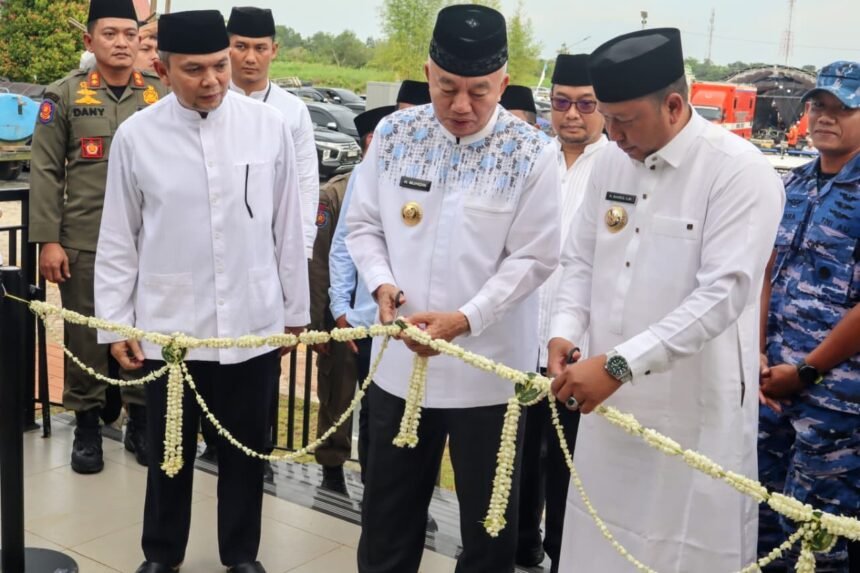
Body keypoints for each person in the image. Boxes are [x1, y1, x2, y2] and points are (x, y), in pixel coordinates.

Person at [548, 28, 784, 571]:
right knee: (600, 544)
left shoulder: (739, 172)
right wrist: (564, 330)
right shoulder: (610, 162)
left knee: (684, 551)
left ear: (675, 104)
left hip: (694, 415)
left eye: (625, 120)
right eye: (607, 118)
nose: (613, 133)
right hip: (610, 404)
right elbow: (579, 260)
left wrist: (620, 363)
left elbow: (723, 295)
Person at [93, 11, 309, 573]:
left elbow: (288, 228)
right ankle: (161, 555)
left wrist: (294, 313)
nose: (213, 80)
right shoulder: (136, 137)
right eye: (195, 70)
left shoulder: (269, 130)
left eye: (220, 65)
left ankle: (241, 556)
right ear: (163, 69)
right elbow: (120, 237)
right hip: (173, 329)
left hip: (253, 320)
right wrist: (115, 324)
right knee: (170, 453)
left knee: (245, 453)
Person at [346, 5, 560, 572]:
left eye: (479, 92)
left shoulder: (532, 152)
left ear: (504, 83)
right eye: (447, 89)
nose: (461, 106)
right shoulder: (394, 134)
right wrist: (382, 282)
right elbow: (363, 225)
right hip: (400, 368)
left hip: (486, 376)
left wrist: (465, 318)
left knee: (489, 533)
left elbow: (536, 256)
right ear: (428, 73)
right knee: (388, 519)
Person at [29, 0, 166, 474]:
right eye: (110, 34)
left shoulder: (159, 95)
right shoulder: (64, 95)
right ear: (90, 41)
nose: (123, 43)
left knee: (144, 331)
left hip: (148, 242)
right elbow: (45, 171)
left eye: (131, 34)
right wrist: (48, 240)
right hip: (83, 240)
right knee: (85, 334)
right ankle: (87, 425)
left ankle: (141, 420)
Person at [758, 61, 860, 573]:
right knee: (758, 523)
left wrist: (806, 372)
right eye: (820, 105)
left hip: (836, 405)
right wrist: (754, 354)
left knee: (819, 541)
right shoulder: (793, 185)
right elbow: (765, 272)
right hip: (769, 389)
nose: (827, 117)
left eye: (844, 108)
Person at [516, 53, 608, 572]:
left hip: (581, 350)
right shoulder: (531, 159)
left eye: (586, 104)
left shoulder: (618, 166)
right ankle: (519, 544)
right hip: (523, 340)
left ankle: (562, 555)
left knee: (570, 463)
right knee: (521, 456)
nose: (572, 114)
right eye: (561, 102)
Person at [313, 105, 395, 493]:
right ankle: (337, 472)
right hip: (361, 319)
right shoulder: (359, 177)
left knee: (389, 414)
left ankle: (381, 484)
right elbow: (340, 248)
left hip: (406, 326)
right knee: (345, 397)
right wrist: (339, 311)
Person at [227, 6, 319, 260]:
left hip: (272, 243)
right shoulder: (209, 101)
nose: (250, 57)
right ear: (227, 47)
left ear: (274, 51)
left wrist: (303, 245)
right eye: (241, 46)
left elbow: (306, 182)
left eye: (260, 48)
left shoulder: (293, 110)